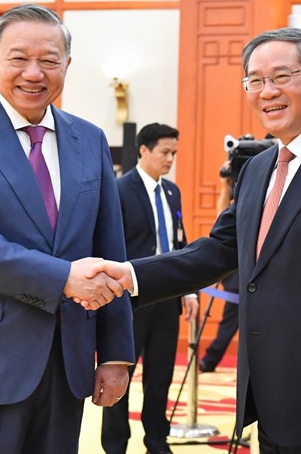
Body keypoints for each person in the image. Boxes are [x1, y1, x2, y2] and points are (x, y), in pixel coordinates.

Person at [82, 27, 301, 452]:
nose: (266, 91)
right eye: (254, 80)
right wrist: (127, 275)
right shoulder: (258, 169)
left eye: (281, 76)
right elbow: (217, 250)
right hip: (269, 397)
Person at [0, 4, 134, 453]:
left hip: (67, 359)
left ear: (67, 66)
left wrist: (116, 353)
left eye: (49, 60)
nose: (33, 73)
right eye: (18, 58)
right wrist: (62, 278)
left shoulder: (89, 138)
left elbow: (110, 248)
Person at [101, 123, 199, 454]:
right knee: (119, 377)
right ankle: (115, 445)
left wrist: (188, 291)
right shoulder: (120, 189)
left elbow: (178, 244)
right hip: (129, 302)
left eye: (174, 153)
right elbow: (110, 245)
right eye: (165, 152)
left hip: (167, 300)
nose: (170, 159)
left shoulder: (172, 192)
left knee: (160, 379)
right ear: (144, 150)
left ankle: (157, 442)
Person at [199, 163, 239, 374]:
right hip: (239, 271)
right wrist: (226, 187)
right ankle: (210, 360)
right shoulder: (246, 182)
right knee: (229, 323)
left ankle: (210, 359)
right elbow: (223, 218)